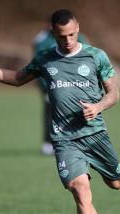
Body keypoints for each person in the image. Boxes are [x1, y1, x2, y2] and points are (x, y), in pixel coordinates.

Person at [0, 9, 120, 214]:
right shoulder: (45, 59)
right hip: (64, 140)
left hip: (96, 135)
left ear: (78, 28)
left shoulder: (96, 56)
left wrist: (99, 107)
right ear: (53, 34)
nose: (68, 40)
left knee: (117, 183)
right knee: (80, 189)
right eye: (62, 37)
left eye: (72, 34)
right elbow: (15, 79)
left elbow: (114, 92)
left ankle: (107, 183)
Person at [33, 22, 88, 155]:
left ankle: (78, 141)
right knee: (50, 114)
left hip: (74, 86)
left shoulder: (79, 38)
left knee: (76, 112)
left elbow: (87, 58)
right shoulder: (43, 40)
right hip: (51, 86)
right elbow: (38, 63)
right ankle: (48, 142)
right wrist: (44, 85)